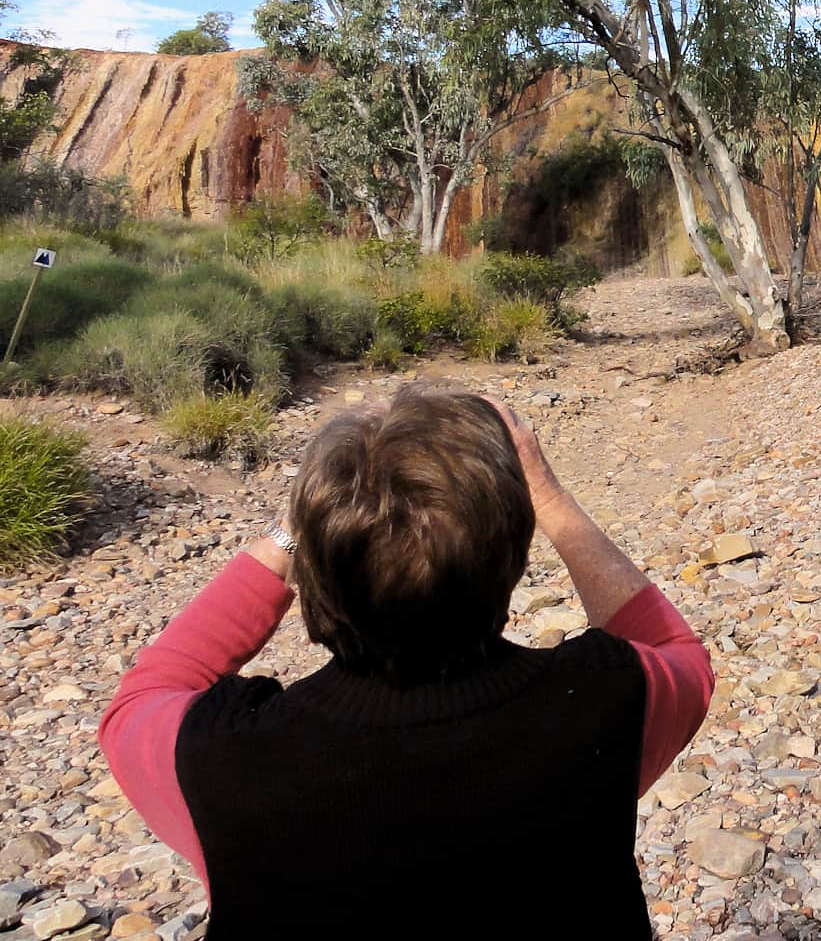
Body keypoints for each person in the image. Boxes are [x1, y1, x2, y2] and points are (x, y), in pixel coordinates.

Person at [98, 387, 714, 940]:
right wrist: (546, 495)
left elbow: (148, 691)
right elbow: (676, 652)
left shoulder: (220, 762)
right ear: (512, 562)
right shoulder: (603, 706)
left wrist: (292, 533)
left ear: (316, 573)